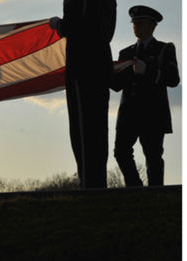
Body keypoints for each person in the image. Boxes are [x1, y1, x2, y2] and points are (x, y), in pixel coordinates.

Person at [49, 0, 117, 189]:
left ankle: (89, 184)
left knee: (83, 129)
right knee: (99, 129)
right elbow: (108, 32)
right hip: (102, 65)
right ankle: (98, 182)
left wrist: (58, 26)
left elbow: (72, 25)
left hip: (82, 65)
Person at [111, 6, 180, 187]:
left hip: (153, 113)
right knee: (121, 152)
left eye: (140, 23)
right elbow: (118, 86)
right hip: (129, 113)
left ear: (152, 25)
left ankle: (155, 193)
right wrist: (104, 72)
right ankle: (135, 188)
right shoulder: (126, 53)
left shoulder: (164, 49)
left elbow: (173, 80)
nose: (136, 26)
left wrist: (147, 71)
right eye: (134, 23)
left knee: (153, 156)